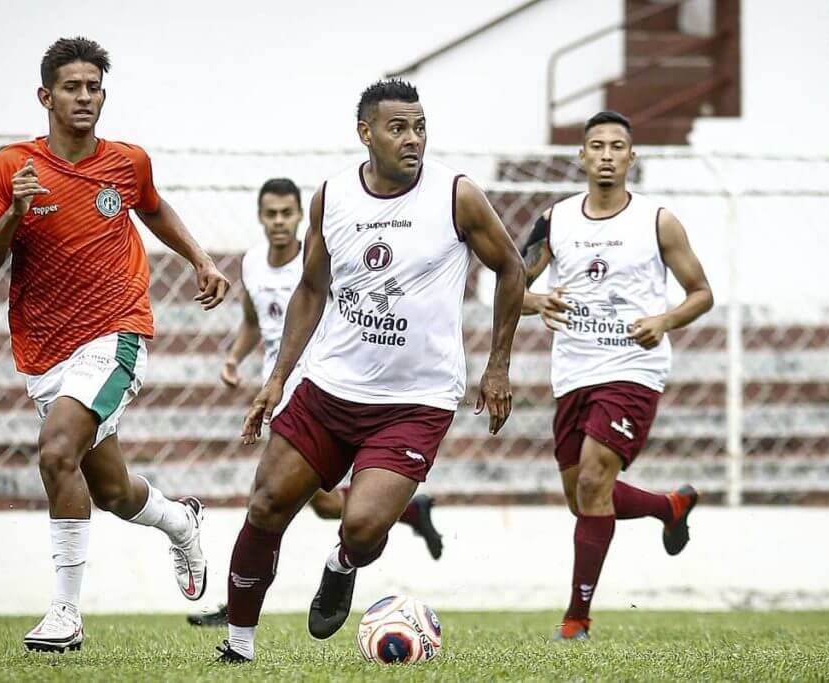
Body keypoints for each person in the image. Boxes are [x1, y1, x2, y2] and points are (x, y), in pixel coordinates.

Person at [214, 79, 525, 662]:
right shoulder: (332, 197)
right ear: (366, 134)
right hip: (329, 389)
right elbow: (311, 287)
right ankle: (237, 648)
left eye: (420, 127)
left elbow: (511, 268)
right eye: (398, 128)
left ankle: (342, 565)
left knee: (360, 527)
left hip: (415, 401)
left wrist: (499, 364)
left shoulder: (456, 196)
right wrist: (277, 379)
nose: (413, 140)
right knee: (265, 507)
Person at [0, 37, 230, 653]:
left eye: (93, 88)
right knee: (111, 491)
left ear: (103, 95)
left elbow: (153, 209)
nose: (84, 97)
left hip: (115, 333)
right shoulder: (11, 169)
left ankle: (64, 613)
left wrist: (200, 259)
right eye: (72, 87)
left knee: (56, 451)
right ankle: (180, 521)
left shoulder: (126, 162)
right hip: (44, 351)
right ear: (45, 96)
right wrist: (14, 214)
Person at [186, 177, 444, 629]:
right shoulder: (253, 265)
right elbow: (255, 319)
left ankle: (249, 599)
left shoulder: (315, 262)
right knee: (298, 503)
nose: (280, 222)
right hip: (280, 383)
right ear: (261, 217)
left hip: (317, 387)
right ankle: (404, 514)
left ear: (300, 217)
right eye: (272, 214)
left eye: (288, 213)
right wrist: (234, 357)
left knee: (292, 501)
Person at [520, 111, 712, 641]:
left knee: (592, 483)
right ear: (581, 156)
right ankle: (669, 506)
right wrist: (534, 299)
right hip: (573, 372)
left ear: (632, 157)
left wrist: (665, 319)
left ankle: (576, 618)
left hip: (633, 367)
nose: (606, 155)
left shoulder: (658, 221)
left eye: (617, 146)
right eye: (597, 146)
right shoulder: (554, 221)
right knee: (581, 498)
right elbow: (512, 284)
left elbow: (702, 293)